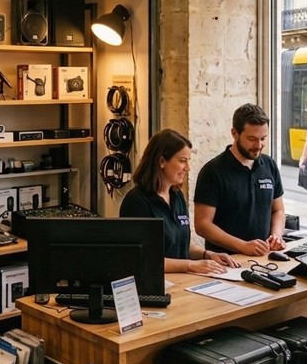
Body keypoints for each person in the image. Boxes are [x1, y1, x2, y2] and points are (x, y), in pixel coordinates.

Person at [119, 129, 239, 273]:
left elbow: (182, 243)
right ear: (161, 161)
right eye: (182, 161)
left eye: (188, 161)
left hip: (183, 282)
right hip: (156, 288)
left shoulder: (177, 197)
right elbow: (143, 258)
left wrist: (207, 255)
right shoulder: (136, 202)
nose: (187, 168)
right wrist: (190, 265)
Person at [194, 104, 286, 256]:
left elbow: (278, 209)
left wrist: (276, 235)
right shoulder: (212, 171)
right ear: (234, 133)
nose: (258, 145)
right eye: (251, 139)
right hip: (226, 262)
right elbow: (202, 225)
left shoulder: (269, 165)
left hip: (263, 258)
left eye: (263, 139)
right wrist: (242, 246)